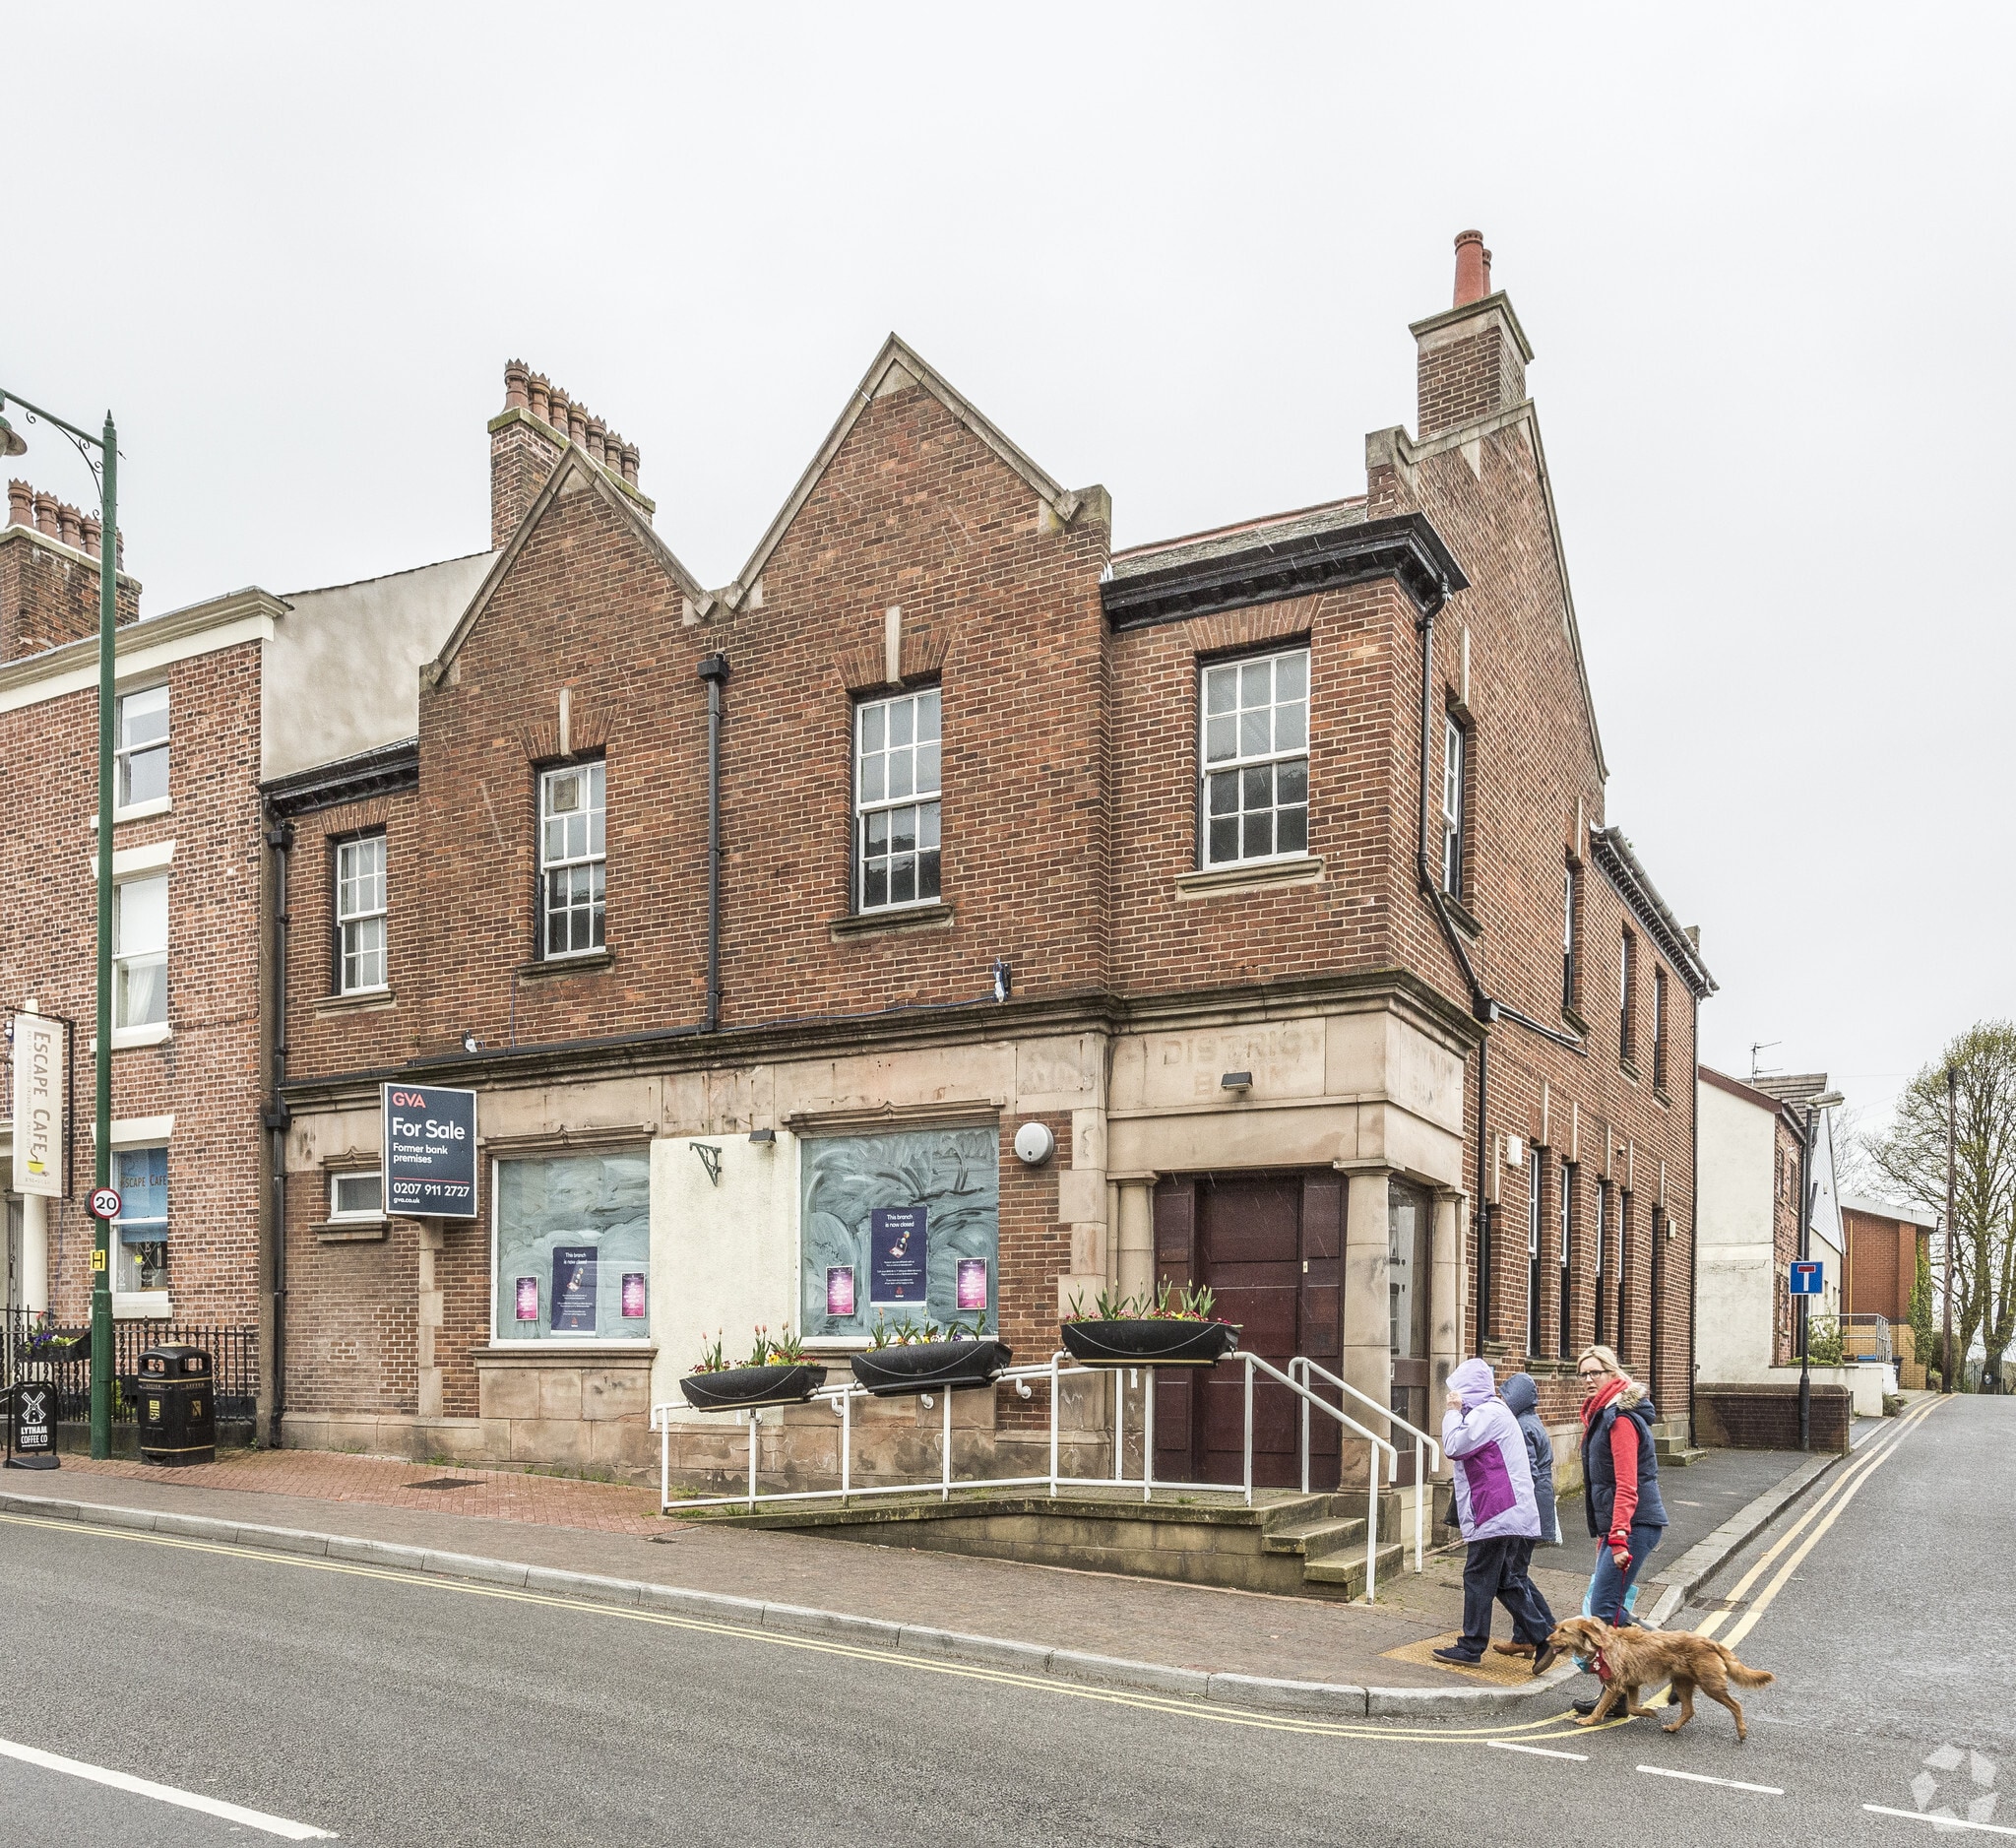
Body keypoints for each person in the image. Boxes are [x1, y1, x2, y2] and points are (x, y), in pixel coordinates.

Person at [1435, 1357, 1558, 1671]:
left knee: (1477, 1575)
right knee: (1504, 1579)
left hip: (1496, 1510)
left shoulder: (1487, 1414)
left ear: (1469, 1389)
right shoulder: (1496, 1412)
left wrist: (1452, 1412)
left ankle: (1471, 1646)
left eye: (1458, 1390)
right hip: (1506, 1509)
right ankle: (1543, 1637)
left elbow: (1454, 1446)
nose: (1454, 1396)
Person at [1569, 1343, 1669, 1713]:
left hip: (1634, 1524)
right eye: (1583, 1374)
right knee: (1609, 1608)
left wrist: (1619, 1536)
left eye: (1595, 1372)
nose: (1588, 1379)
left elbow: (1627, 1483)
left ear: (1612, 1373)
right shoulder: (1603, 1414)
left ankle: (1617, 1691)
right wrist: (1607, 1533)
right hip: (1622, 1524)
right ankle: (1671, 1659)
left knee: (1603, 1608)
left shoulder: (1620, 1418)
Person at [1488, 1370, 1560, 1660]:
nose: (1502, 1401)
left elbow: (1526, 1472)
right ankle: (1539, 1631)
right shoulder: (1532, 1421)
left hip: (1527, 1508)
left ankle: (1537, 1635)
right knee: (1518, 1573)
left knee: (1512, 1574)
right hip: (1538, 1504)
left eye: (1506, 1396)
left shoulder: (1520, 1426)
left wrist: (1510, 1507)